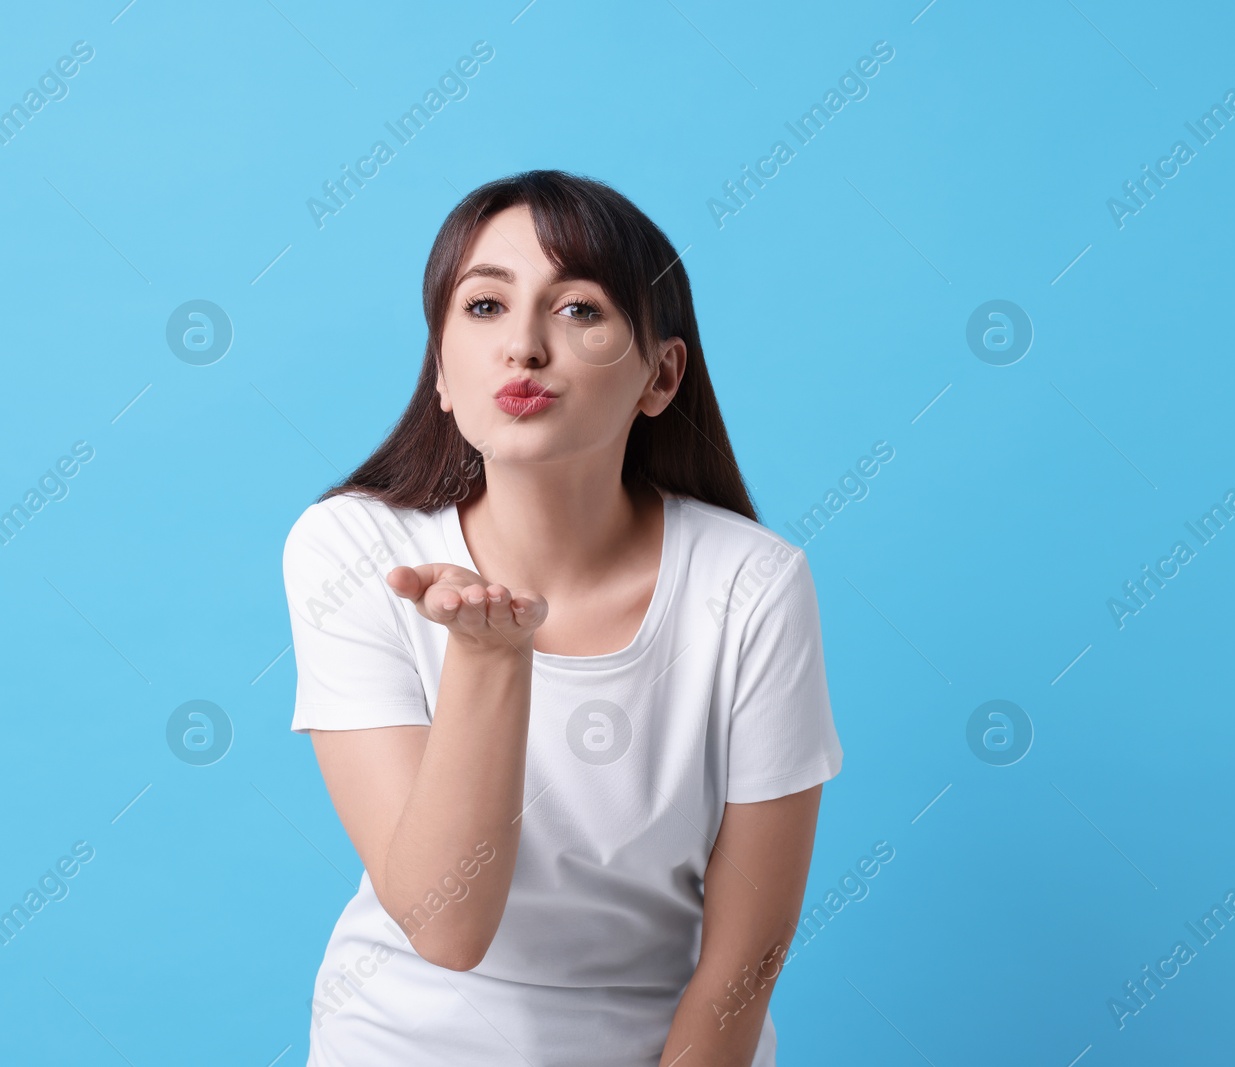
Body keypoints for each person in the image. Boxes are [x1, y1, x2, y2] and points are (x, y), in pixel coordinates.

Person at [279, 169, 844, 1066]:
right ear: (442, 375)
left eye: (580, 310)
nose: (525, 348)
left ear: (660, 375)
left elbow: (747, 956)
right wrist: (489, 660)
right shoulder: (351, 548)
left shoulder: (752, 583)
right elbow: (446, 925)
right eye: (485, 307)